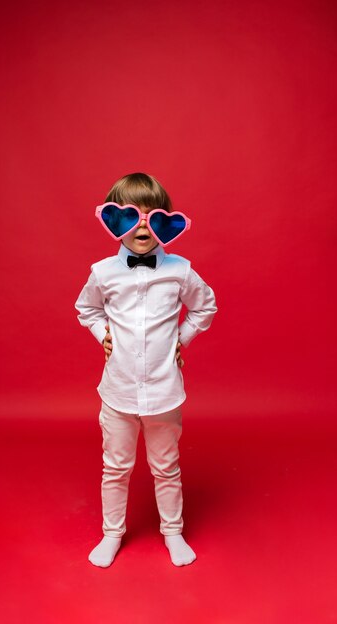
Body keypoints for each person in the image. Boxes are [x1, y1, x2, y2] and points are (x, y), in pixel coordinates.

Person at [75, 172, 218, 568]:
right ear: (112, 222)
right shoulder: (103, 272)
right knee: (115, 468)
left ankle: (173, 532)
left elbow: (206, 306)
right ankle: (111, 534)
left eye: (152, 215)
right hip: (117, 392)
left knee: (166, 467)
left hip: (163, 393)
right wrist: (100, 332)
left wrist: (180, 339)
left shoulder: (180, 270)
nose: (141, 223)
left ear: (167, 223)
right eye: (129, 214)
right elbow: (86, 308)